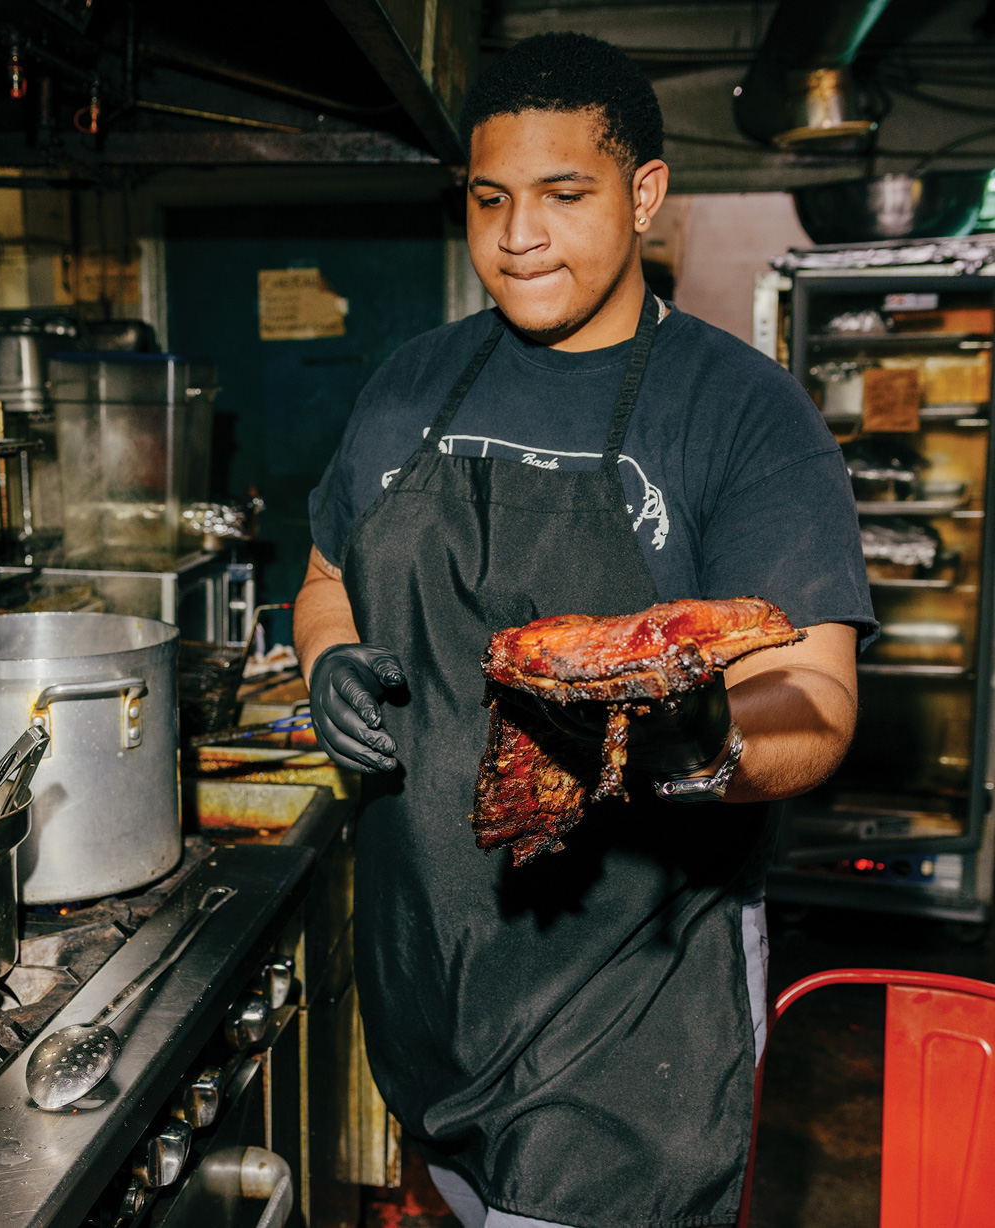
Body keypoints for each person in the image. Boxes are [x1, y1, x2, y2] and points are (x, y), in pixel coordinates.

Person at [294, 31, 876, 1228]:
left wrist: (685, 747)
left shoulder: (741, 412)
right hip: (433, 984)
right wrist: (326, 662)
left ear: (644, 194)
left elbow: (814, 702)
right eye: (490, 197)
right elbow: (325, 578)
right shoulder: (408, 383)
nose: (517, 235)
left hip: (630, 1013)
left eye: (564, 196)